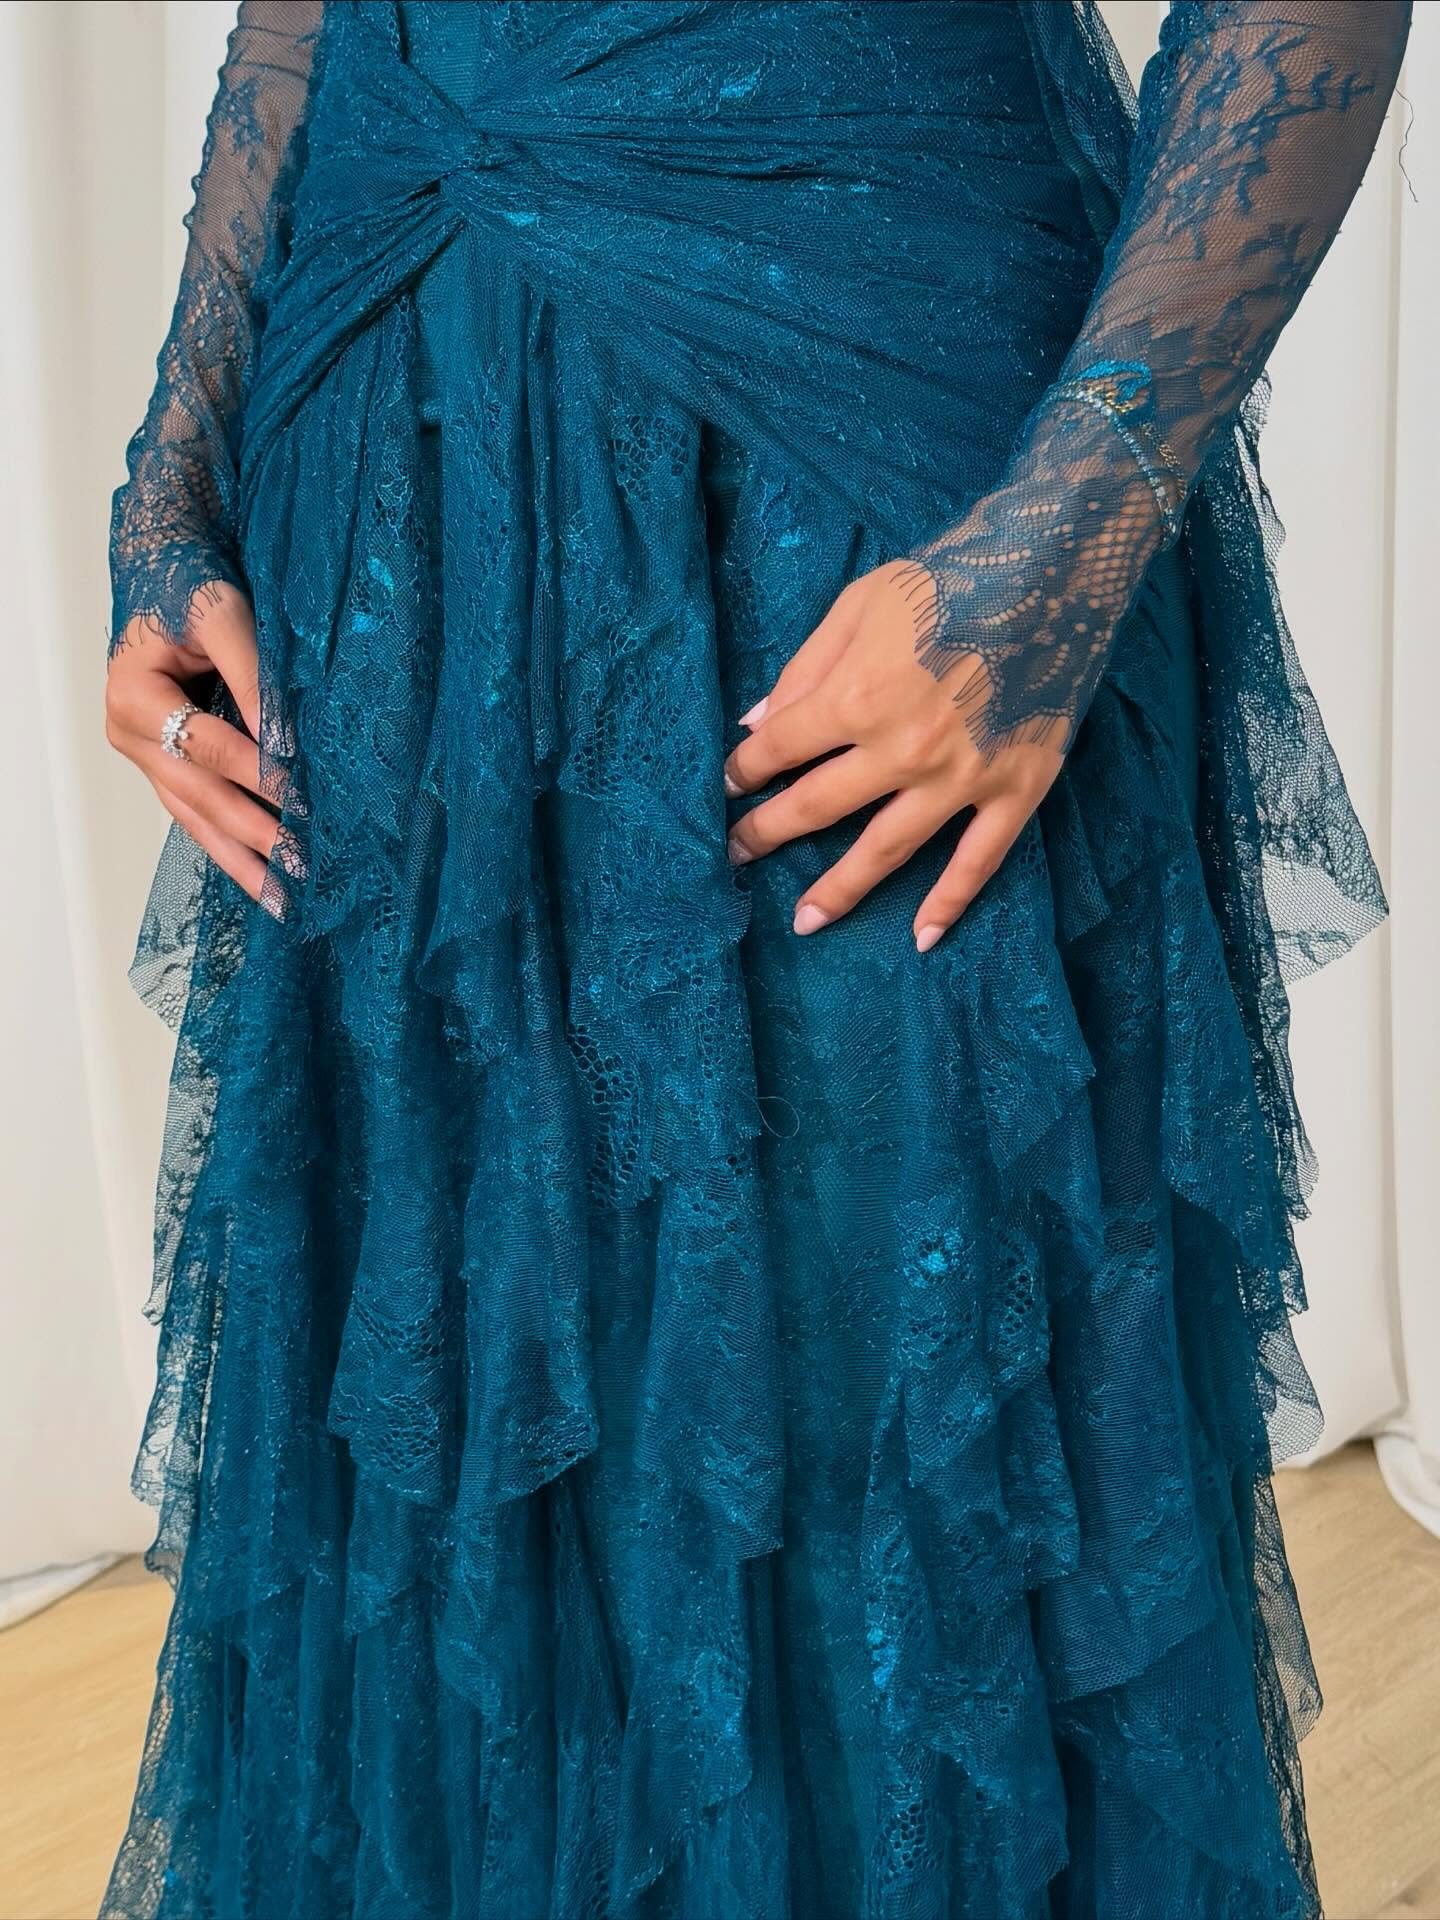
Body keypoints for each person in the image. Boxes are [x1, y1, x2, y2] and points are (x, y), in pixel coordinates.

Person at [100, 4, 1410, 1915]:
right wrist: (172, 476)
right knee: (447, 1474)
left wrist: (1062, 539)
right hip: (393, 507)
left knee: (883, 1477)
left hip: (846, 478)